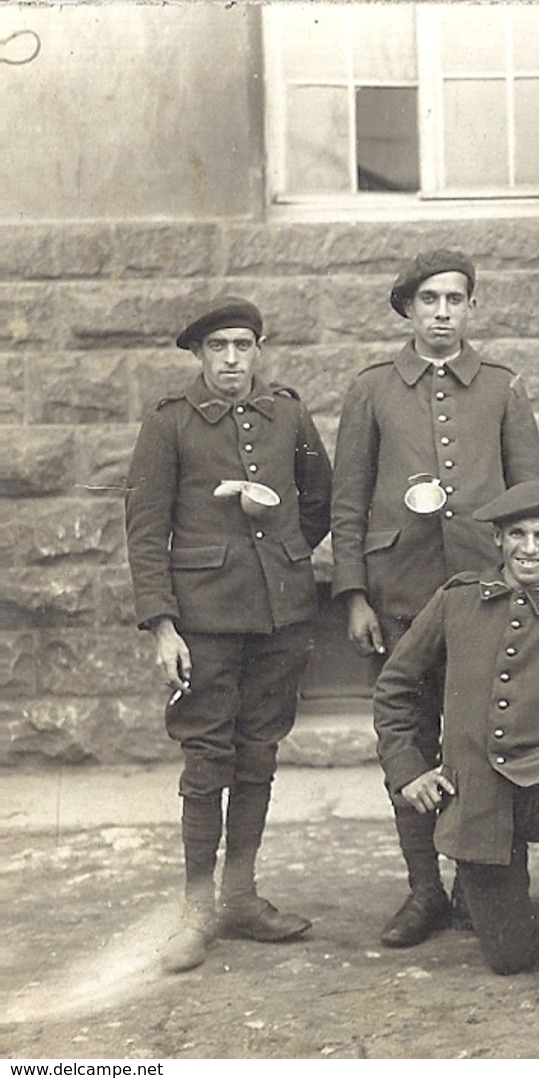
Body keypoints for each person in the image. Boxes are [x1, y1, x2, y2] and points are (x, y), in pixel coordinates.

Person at [372, 481, 539, 1040]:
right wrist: (408, 769)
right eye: (516, 534)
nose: (529, 547)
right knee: (508, 954)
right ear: (497, 539)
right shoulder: (456, 600)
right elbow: (395, 688)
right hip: (478, 798)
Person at [332, 249, 539, 949]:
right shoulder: (372, 390)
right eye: (429, 300)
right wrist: (356, 595)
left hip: (487, 589)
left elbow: (531, 499)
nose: (443, 313)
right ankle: (423, 886)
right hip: (399, 592)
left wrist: (529, 585)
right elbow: (349, 502)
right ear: (408, 309)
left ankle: (469, 880)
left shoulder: (503, 387)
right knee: (409, 734)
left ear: (471, 307)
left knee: (482, 736)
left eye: (455, 299)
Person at [124, 297, 333, 973]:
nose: (233, 360)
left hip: (281, 616)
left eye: (244, 345)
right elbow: (146, 528)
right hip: (205, 622)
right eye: (219, 347)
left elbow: (319, 499)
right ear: (198, 355)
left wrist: (284, 551)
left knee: (259, 751)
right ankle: (196, 909)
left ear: (259, 349)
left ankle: (240, 896)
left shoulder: (288, 414)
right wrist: (163, 625)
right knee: (206, 759)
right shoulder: (170, 424)